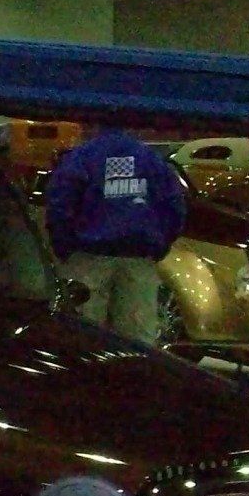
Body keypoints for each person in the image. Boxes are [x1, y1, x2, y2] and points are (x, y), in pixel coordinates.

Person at [44, 127, 186, 344]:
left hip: (89, 259)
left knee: (84, 337)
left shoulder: (82, 157)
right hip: (138, 260)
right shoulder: (149, 159)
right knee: (137, 342)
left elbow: (60, 206)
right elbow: (174, 206)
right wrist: (158, 245)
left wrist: (64, 247)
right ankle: (130, 378)